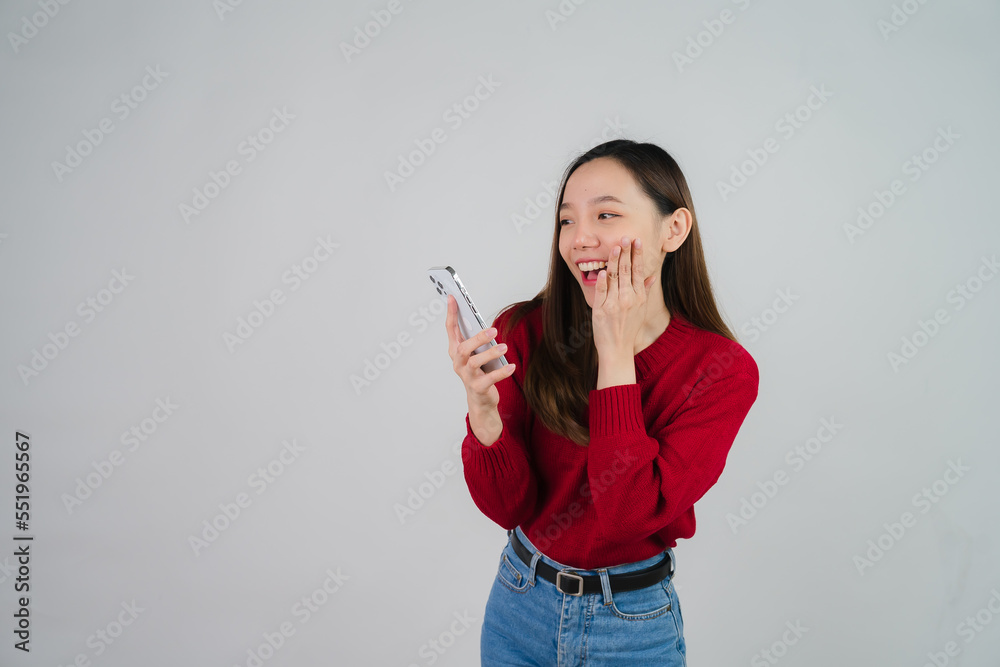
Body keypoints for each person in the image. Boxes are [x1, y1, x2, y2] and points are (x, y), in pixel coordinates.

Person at [445, 139, 759, 666]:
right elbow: (507, 508)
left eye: (607, 214)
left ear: (673, 230)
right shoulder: (524, 331)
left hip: (630, 627)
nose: (580, 239)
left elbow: (628, 514)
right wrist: (483, 411)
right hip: (519, 606)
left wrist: (615, 351)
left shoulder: (722, 371)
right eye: (567, 220)